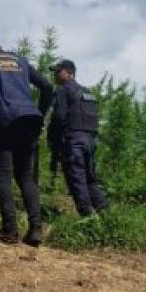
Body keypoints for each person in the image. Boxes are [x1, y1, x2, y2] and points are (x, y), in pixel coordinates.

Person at [0, 39, 53, 246]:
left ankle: (10, 230)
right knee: (25, 177)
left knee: (3, 174)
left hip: (0, 119)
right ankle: (36, 230)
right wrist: (39, 113)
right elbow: (48, 86)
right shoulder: (20, 60)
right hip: (29, 119)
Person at [48, 59, 108, 217]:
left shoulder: (63, 89)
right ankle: (105, 214)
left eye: (57, 71)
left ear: (68, 73)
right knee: (90, 178)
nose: (54, 74)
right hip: (90, 141)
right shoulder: (87, 92)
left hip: (73, 140)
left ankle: (88, 217)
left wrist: (52, 138)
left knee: (77, 179)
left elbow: (59, 116)